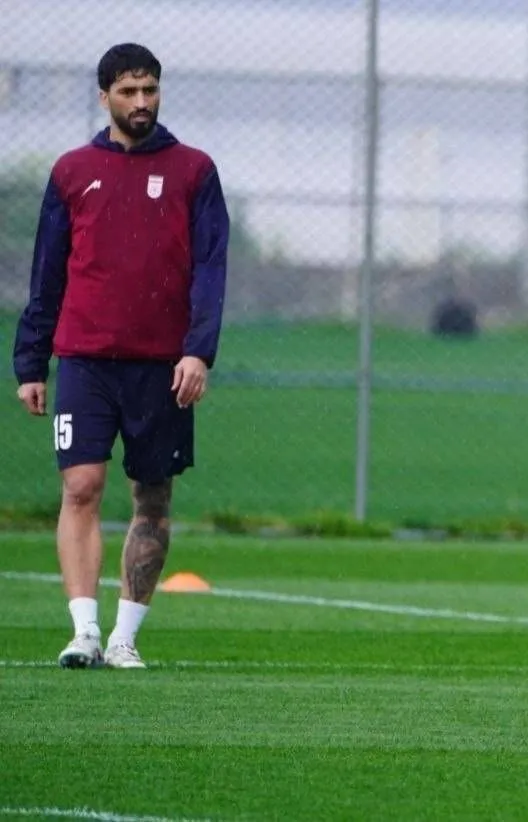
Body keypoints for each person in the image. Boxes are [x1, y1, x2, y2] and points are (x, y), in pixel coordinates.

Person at [12, 43, 230, 670]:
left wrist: (198, 351)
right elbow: (47, 273)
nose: (141, 102)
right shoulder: (72, 172)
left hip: (162, 365)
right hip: (84, 358)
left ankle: (123, 638)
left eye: (150, 90)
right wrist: (31, 362)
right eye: (129, 91)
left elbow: (210, 269)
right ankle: (83, 631)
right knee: (81, 485)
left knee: (152, 496)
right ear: (104, 95)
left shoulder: (194, 171)